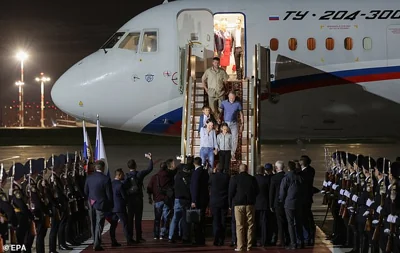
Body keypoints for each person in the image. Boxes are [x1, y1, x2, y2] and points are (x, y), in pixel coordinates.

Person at [229, 163, 259, 251]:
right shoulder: (252, 179)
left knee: (239, 225)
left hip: (238, 204)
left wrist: (230, 204)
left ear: (239, 169)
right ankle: (249, 245)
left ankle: (240, 246)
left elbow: (231, 192)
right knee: (250, 225)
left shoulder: (234, 178)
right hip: (250, 204)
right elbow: (257, 191)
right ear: (247, 169)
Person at [84, 160, 113, 251]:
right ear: (103, 168)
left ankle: (95, 240)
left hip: (91, 202)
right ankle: (97, 243)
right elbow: (109, 194)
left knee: (93, 222)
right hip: (101, 203)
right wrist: (110, 204)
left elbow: (86, 191)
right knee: (99, 224)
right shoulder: (105, 179)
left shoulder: (89, 177)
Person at [124, 153, 154, 242]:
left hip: (130, 200)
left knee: (130, 219)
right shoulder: (139, 174)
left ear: (128, 167)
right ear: (135, 166)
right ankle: (138, 236)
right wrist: (150, 159)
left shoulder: (127, 176)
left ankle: (129, 236)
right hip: (138, 199)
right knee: (138, 218)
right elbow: (150, 169)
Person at [279, 161, 305, 250]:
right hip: (299, 203)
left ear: (288, 168)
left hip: (289, 203)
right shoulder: (300, 177)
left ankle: (293, 243)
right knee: (299, 223)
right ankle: (301, 242)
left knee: (290, 224)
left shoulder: (286, 178)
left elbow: (282, 191)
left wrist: (281, 200)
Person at [147, 159, 175, 240]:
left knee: (157, 218)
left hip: (157, 200)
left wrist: (150, 197)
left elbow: (149, 188)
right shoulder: (169, 176)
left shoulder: (154, 177)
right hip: (166, 200)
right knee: (165, 218)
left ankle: (156, 234)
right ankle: (163, 233)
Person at [168, 157, 192, 243]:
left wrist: (181, 162)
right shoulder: (190, 178)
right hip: (186, 200)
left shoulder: (177, 176)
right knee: (185, 219)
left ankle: (171, 236)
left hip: (177, 199)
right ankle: (183, 236)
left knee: (175, 218)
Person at [109, 168, 134, 246]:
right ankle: (128, 239)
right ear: (119, 175)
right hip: (120, 208)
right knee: (125, 224)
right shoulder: (120, 185)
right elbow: (124, 197)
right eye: (122, 175)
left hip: (113, 208)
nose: (123, 176)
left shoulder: (111, 184)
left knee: (113, 225)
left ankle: (113, 240)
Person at [190, 157, 210, 245]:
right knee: (202, 220)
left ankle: (198, 239)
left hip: (197, 200)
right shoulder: (205, 172)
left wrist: (193, 200)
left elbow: (195, 187)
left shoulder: (196, 173)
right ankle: (202, 239)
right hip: (204, 199)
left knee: (196, 221)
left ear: (194, 163)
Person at [219, 91, 244, 161]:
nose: (232, 99)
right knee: (224, 138)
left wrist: (242, 124)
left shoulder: (237, 104)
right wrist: (218, 118)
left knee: (234, 139)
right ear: (228, 97)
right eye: (230, 98)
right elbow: (221, 111)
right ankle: (224, 153)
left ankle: (232, 154)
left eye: (233, 98)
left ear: (235, 97)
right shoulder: (224, 102)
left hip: (234, 123)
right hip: (225, 123)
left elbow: (241, 114)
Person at [209, 165, 230, 246]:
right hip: (224, 201)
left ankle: (216, 237)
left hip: (214, 201)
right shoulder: (227, 177)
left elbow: (209, 184)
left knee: (215, 220)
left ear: (216, 169)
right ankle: (222, 239)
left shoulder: (212, 177)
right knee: (223, 221)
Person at [269, 161, 289, 247]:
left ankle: (281, 240)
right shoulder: (287, 176)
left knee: (279, 222)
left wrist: (270, 204)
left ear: (276, 168)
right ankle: (288, 238)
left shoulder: (274, 178)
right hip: (287, 202)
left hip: (277, 203)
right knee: (288, 221)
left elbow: (271, 192)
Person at [299, 155, 316, 246]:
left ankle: (309, 236)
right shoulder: (306, 170)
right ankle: (308, 236)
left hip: (305, 198)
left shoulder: (308, 171)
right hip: (305, 197)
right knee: (305, 217)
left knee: (306, 217)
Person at [255, 165, 270, 247]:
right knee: (264, 222)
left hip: (255, 203)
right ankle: (264, 241)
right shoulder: (266, 179)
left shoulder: (253, 179)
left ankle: (254, 240)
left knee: (254, 222)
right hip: (264, 203)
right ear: (263, 171)